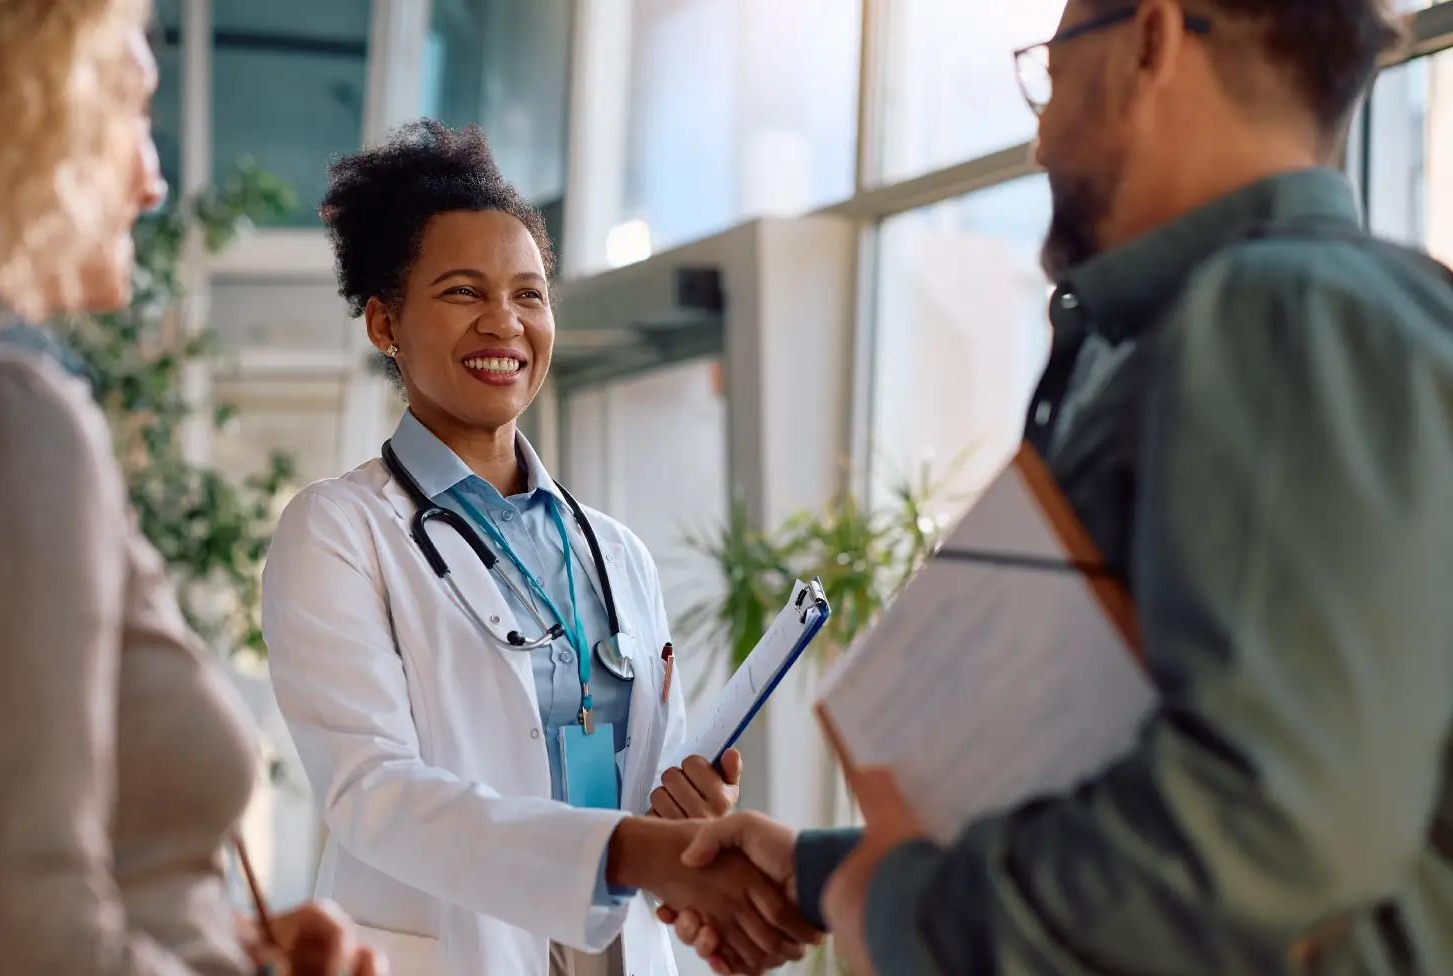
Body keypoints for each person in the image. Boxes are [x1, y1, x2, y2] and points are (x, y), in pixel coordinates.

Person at [670, 0, 1453, 973]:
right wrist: (831, 872)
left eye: (1050, 70)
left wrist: (910, 910)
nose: (1038, 137)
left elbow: (1270, 820)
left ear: (1150, 42)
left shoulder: (1279, 316)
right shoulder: (1318, 319)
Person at [0, 3, 379, 974]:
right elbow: (11, 952)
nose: (153, 179)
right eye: (133, 103)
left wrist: (229, 943)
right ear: (24, 102)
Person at [260, 120, 816, 976]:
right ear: (384, 322)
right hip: (451, 951)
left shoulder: (613, 550)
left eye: (528, 294)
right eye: (461, 292)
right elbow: (373, 794)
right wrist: (628, 848)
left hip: (616, 949)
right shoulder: (338, 531)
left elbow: (639, 773)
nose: (504, 324)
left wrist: (686, 808)